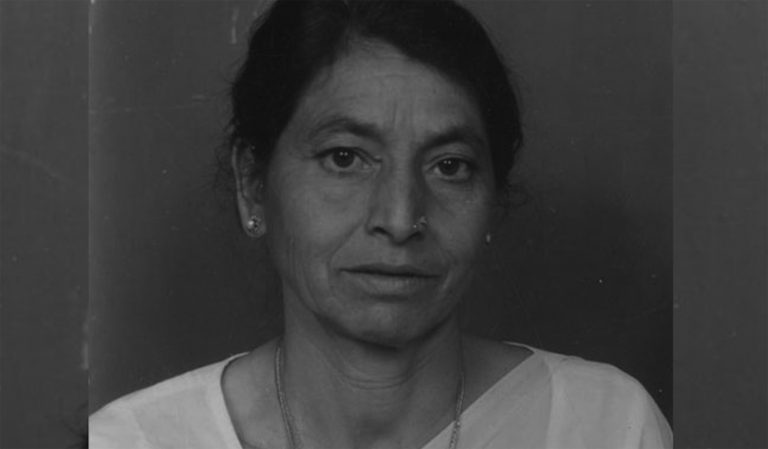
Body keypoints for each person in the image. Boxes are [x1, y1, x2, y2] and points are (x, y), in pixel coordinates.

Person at [89, 1, 672, 448]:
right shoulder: (136, 440)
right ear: (253, 184)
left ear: (493, 199)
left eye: (450, 166)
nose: (399, 219)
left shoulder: (605, 426)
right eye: (344, 158)